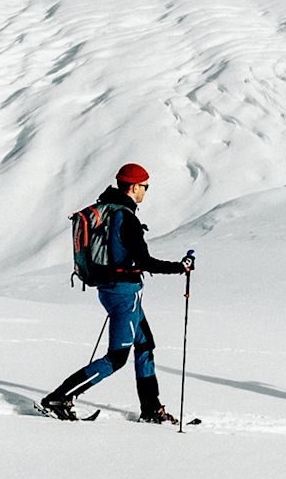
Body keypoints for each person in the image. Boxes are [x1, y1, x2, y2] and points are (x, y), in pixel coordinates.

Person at [44, 163, 193, 423]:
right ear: (134, 186)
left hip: (115, 290)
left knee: (145, 345)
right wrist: (180, 268)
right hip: (124, 294)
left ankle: (151, 409)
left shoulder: (110, 210)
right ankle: (59, 397)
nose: (146, 192)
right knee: (117, 357)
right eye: (145, 187)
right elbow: (145, 262)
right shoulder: (126, 218)